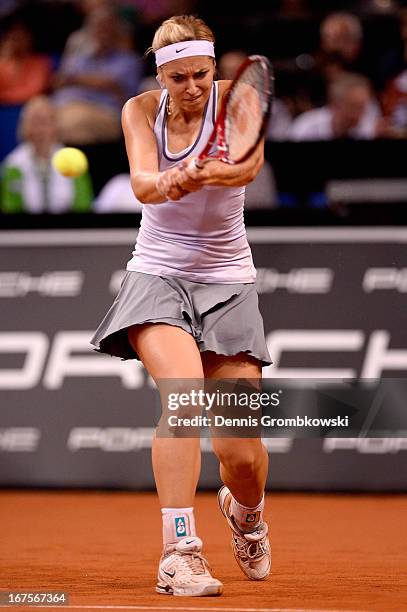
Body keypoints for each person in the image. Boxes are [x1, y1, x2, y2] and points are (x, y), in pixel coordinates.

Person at [90, 14, 272, 597]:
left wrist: (207, 170)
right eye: (177, 78)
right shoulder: (139, 110)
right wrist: (173, 180)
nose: (191, 88)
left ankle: (246, 514)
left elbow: (248, 165)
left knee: (240, 453)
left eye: (200, 74)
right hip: (158, 274)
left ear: (214, 68)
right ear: (159, 74)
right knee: (184, 399)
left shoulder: (237, 100)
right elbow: (143, 183)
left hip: (228, 280)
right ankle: (179, 553)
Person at [52, 6, 143, 144]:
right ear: (89, 32)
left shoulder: (129, 61)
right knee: (37, 112)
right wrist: (90, 81)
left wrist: (75, 79)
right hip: (64, 108)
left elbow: (114, 85)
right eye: (97, 27)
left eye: (107, 27)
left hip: (103, 112)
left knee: (70, 122)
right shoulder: (78, 58)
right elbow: (58, 81)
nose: (102, 32)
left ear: (117, 32)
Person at [1, 95, 93, 213]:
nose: (40, 130)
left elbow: (84, 205)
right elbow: (10, 210)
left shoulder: (73, 161)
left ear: (56, 126)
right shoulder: (13, 165)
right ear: (25, 127)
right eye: (34, 123)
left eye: (45, 122)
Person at [289, 72, 381, 140]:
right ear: (335, 104)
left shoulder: (369, 129)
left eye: (363, 107)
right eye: (354, 107)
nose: (360, 115)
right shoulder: (306, 127)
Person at [0, 19, 52, 105]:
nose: (16, 41)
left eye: (20, 35)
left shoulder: (41, 62)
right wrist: (4, 59)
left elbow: (33, 92)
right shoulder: (4, 62)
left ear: (29, 38)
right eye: (12, 36)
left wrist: (3, 96)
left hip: (29, 109)